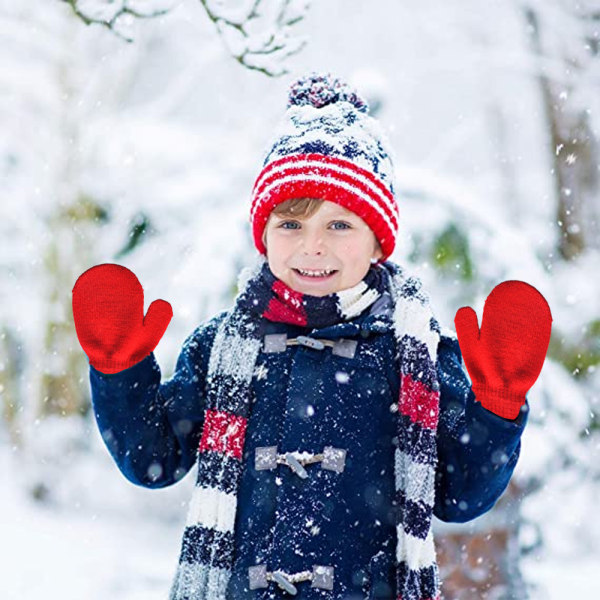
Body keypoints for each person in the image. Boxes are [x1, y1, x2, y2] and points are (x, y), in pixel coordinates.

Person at [71, 72, 552, 600]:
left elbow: (460, 493)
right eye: (291, 225)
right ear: (264, 235)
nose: (313, 247)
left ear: (377, 243)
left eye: (340, 226)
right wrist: (120, 372)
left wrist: (497, 410)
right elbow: (151, 460)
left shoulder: (414, 355)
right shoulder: (223, 347)